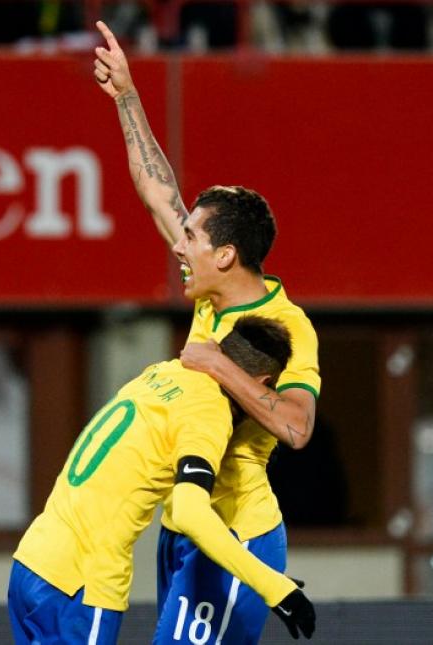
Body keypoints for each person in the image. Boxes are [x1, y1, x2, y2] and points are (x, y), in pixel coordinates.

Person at [93, 20, 321, 643]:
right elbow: (156, 192)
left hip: (239, 527)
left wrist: (218, 364)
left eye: (192, 238)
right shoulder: (210, 288)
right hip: (186, 520)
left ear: (226, 257)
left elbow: (297, 426)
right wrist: (128, 96)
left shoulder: (288, 328)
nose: (179, 246)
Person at [9, 316, 315, 644]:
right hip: (81, 581)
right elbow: (189, 513)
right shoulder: (208, 411)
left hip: (32, 561)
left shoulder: (162, 372)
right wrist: (275, 588)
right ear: (262, 382)